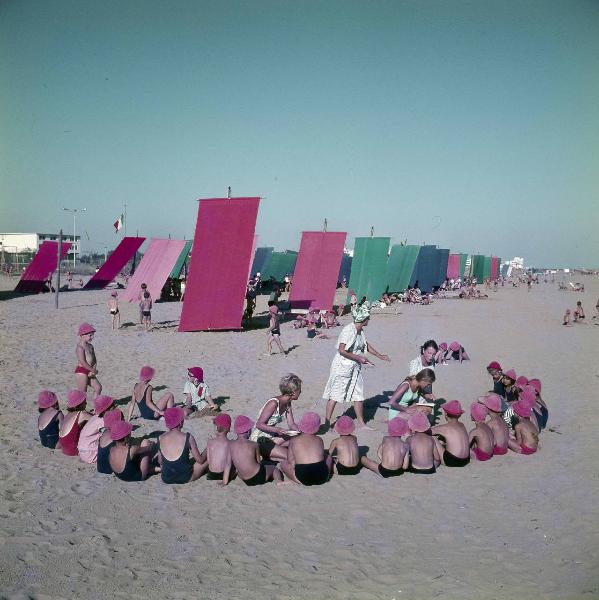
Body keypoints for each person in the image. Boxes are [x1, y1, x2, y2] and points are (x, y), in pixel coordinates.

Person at [323, 303, 390, 430]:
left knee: (358, 395)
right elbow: (342, 350)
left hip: (354, 367)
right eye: (368, 318)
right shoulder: (349, 330)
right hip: (342, 366)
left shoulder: (360, 330)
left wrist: (379, 355)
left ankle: (361, 423)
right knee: (335, 395)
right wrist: (360, 358)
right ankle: (327, 423)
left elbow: (365, 343)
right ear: (363, 319)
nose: (369, 320)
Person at [249, 373, 301, 460]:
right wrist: (277, 430)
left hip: (271, 437)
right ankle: (265, 453)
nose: (301, 392)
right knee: (291, 456)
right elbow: (259, 424)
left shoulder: (288, 403)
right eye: (299, 390)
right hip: (260, 439)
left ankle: (271, 453)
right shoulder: (273, 403)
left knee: (298, 440)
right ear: (293, 392)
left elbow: (291, 423)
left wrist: (297, 430)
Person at [277, 412, 332, 486]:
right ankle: (327, 476)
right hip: (322, 477)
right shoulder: (319, 439)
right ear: (317, 428)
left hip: (303, 477)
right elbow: (321, 457)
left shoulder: (294, 440)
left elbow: (290, 460)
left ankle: (296, 479)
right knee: (328, 457)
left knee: (283, 463)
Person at [157, 407, 206, 484]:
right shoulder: (188, 437)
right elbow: (200, 460)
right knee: (208, 457)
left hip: (166, 478)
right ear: (180, 423)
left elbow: (160, 461)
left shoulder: (160, 438)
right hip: (185, 478)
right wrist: (207, 450)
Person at [230, 416, 283, 486]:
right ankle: (279, 481)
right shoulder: (254, 444)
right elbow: (258, 462)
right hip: (257, 475)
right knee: (274, 469)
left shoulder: (231, 445)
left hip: (245, 479)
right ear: (248, 431)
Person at [78, 395, 115, 464]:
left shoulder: (95, 417)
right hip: (90, 453)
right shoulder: (103, 421)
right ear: (106, 410)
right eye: (113, 405)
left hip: (83, 451)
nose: (115, 407)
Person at [431, 401, 470, 467]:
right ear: (459, 415)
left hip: (451, 461)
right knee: (443, 437)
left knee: (432, 438)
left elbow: (426, 431)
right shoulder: (462, 425)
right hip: (466, 460)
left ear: (446, 414)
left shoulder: (444, 428)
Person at [59, 390, 92, 456]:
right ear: (79, 404)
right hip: (73, 450)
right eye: (84, 401)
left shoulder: (68, 414)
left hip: (64, 448)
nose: (86, 403)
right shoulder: (81, 414)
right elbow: (98, 420)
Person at [202, 413, 233, 484]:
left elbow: (209, 460)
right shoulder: (229, 444)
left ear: (216, 428)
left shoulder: (210, 442)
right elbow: (228, 464)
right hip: (222, 474)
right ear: (228, 429)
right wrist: (225, 482)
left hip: (210, 474)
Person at [75, 323, 102, 398]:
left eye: (92, 335)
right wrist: (92, 370)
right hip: (82, 371)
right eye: (90, 335)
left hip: (90, 370)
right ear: (82, 335)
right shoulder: (80, 347)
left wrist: (94, 369)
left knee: (98, 387)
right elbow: (83, 362)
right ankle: (80, 409)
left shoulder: (90, 346)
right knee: (82, 393)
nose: (92, 337)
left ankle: (97, 406)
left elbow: (94, 359)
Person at [97, 409, 123, 475]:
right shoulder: (116, 435)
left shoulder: (105, 433)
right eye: (122, 419)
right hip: (110, 469)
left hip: (100, 468)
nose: (124, 420)